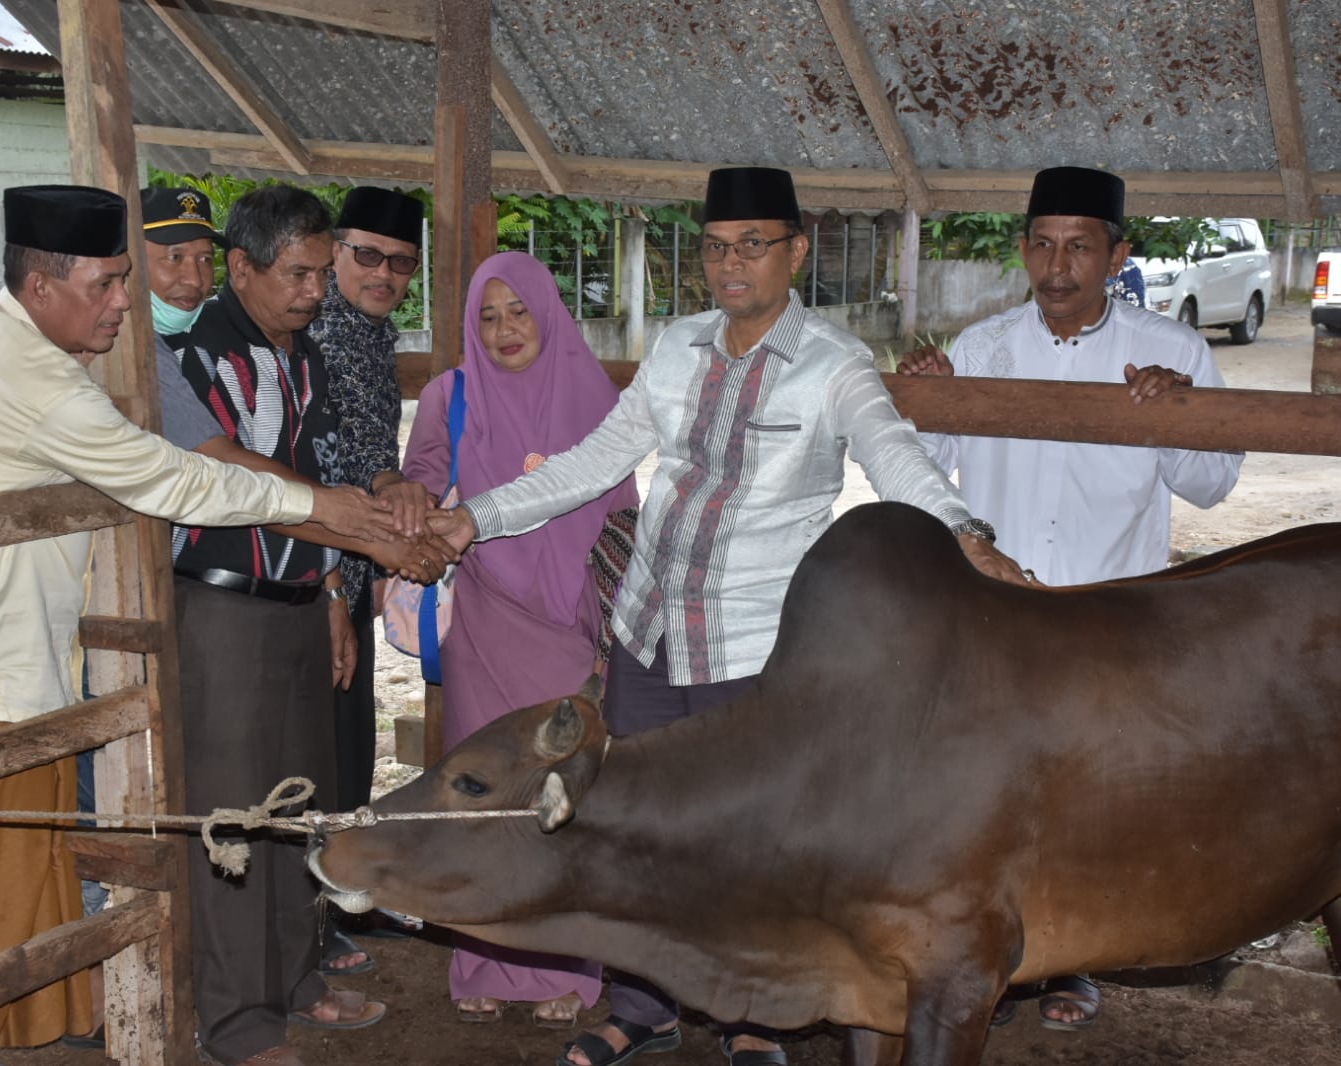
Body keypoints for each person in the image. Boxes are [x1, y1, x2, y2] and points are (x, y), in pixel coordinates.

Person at [431, 166, 1027, 1066]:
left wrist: (965, 532)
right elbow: (593, 463)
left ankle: (756, 1016)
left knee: (750, 839)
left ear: (795, 251)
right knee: (630, 822)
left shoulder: (834, 365)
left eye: (753, 245)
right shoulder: (677, 347)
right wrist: (477, 515)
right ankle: (643, 1005)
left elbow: (895, 458)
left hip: (753, 645)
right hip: (646, 632)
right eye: (714, 247)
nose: (729, 263)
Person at [0, 184, 393, 1066]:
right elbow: (175, 480)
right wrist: (325, 508)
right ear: (40, 283)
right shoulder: (27, 373)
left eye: (124, 280)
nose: (126, 301)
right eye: (105, 283)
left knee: (19, 871)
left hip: (8, 657)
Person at [897, 165, 1243, 1031]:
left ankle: (1074, 965)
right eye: (1042, 244)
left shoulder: (1175, 351)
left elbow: (1212, 487)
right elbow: (912, 475)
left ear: (1116, 254)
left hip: (1110, 617)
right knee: (995, 792)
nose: (1058, 264)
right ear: (1023, 251)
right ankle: (996, 962)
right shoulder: (981, 347)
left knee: (1091, 795)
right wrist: (926, 398)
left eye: (1079, 246)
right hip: (1000, 614)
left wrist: (1178, 413)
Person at [162, 184, 441, 1066]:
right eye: (298, 274)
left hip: (296, 608)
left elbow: (318, 469)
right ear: (239, 269)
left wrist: (329, 594)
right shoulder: (195, 362)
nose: (317, 291)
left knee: (297, 803)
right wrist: (366, 536)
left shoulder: (304, 358)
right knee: (234, 820)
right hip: (222, 610)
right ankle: (236, 1021)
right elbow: (237, 483)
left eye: (324, 273)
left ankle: (294, 982)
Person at [401, 251, 638, 1030]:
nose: (503, 330)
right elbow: (421, 475)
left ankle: (568, 965)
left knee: (563, 798)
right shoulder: (449, 394)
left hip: (569, 631)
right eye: (487, 316)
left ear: (547, 311)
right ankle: (482, 958)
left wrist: (606, 630)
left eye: (518, 312)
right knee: (480, 794)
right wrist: (403, 500)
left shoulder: (594, 394)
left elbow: (621, 518)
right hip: (485, 622)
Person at [306, 185, 438, 965]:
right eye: (366, 256)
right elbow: (315, 462)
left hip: (353, 566)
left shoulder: (371, 333)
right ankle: (310, 919)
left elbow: (372, 454)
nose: (383, 274)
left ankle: (343, 900)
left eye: (401, 263)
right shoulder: (310, 325)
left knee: (352, 740)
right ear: (332, 249)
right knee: (310, 750)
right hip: (311, 565)